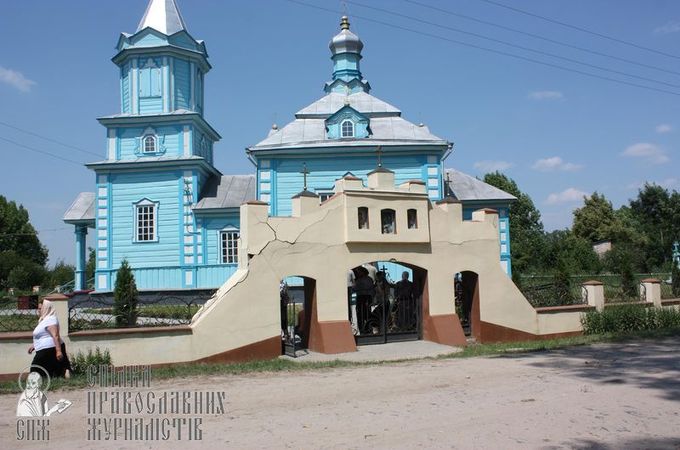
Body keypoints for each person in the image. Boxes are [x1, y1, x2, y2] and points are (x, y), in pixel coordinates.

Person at [28, 299, 71, 379]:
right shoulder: (44, 319)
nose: (39, 311)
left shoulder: (51, 319)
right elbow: (44, 335)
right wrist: (34, 345)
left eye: (41, 309)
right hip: (45, 348)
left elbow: (55, 335)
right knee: (51, 369)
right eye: (38, 308)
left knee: (35, 369)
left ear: (46, 308)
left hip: (50, 348)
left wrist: (58, 351)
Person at [353, 267, 375, 334]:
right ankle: (367, 329)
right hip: (366, 297)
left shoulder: (361, 280)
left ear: (362, 272)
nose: (358, 273)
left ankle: (364, 329)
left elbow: (355, 288)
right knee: (366, 313)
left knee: (362, 314)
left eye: (359, 272)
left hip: (362, 297)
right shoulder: (369, 279)